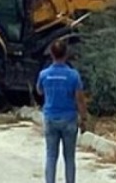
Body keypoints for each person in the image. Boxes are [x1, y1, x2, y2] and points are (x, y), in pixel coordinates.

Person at [36, 39, 87, 183]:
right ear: (66, 54)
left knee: (51, 156)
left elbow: (39, 91)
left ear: (51, 54)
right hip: (69, 119)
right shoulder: (73, 75)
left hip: (50, 118)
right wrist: (83, 119)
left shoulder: (44, 74)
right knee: (69, 158)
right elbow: (80, 100)